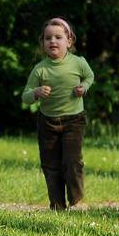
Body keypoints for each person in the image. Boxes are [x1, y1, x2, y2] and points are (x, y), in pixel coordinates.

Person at [21, 18, 95, 210]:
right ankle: (57, 204)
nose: (52, 41)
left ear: (69, 41)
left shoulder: (78, 63)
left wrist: (84, 87)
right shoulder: (40, 69)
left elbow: (89, 76)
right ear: (42, 43)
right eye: (47, 38)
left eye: (58, 37)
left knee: (71, 161)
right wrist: (36, 93)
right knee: (51, 164)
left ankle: (76, 200)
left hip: (74, 120)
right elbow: (26, 96)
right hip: (48, 123)